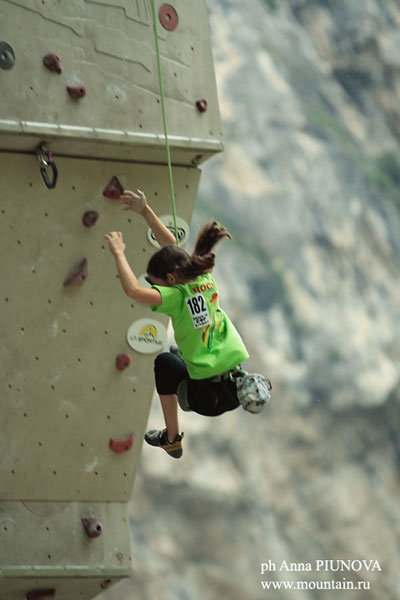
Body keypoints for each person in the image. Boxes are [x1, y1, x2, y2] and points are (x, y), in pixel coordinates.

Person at [105, 189, 249, 459]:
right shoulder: (201, 276)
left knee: (165, 363)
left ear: (171, 280)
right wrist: (145, 210)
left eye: (156, 282)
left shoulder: (175, 296)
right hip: (234, 390)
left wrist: (118, 253)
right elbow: (170, 244)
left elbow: (134, 291)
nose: (154, 287)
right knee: (175, 353)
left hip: (207, 399)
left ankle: (171, 438)